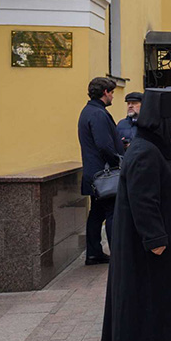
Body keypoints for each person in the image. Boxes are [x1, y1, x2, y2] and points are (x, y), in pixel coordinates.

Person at [101, 88, 171, 341]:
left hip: (158, 247)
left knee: (158, 299)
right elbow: (144, 200)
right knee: (145, 301)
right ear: (160, 121)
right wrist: (156, 239)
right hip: (148, 250)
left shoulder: (152, 147)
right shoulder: (145, 152)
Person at [78, 76, 124, 266]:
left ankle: (94, 253)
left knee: (97, 214)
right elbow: (104, 146)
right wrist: (119, 160)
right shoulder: (98, 114)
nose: (113, 96)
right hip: (104, 176)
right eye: (112, 92)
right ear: (105, 92)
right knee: (112, 212)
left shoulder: (88, 111)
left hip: (94, 174)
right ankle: (118, 255)